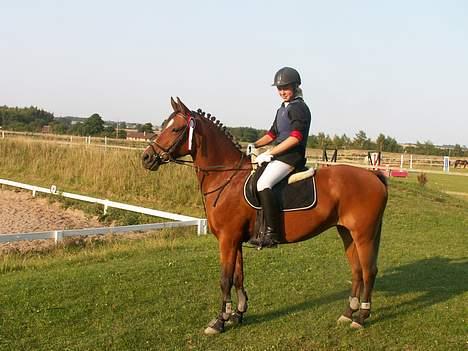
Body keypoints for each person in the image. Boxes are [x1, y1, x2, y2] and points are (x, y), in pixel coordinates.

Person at [248, 67, 311, 248]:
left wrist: (270, 153)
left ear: (295, 87)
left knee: (263, 184)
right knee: (255, 179)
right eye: (279, 88)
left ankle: (272, 233)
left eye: (286, 88)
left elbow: (296, 138)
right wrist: (255, 144)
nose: (282, 92)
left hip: (291, 158)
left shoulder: (299, 108)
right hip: (279, 156)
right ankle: (260, 226)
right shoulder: (282, 109)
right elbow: (272, 134)